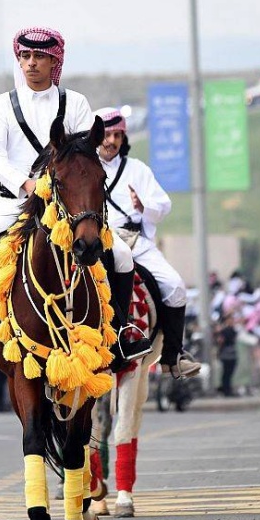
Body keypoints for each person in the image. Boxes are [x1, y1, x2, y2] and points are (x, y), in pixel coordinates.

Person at [0, 27, 138, 376]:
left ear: (54, 61)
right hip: (14, 202)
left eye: (39, 57)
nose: (31, 63)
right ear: (19, 60)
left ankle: (122, 330)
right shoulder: (2, 105)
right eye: (25, 57)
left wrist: (56, 186)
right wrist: (27, 184)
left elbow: (84, 155)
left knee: (122, 255)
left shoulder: (76, 103)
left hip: (67, 204)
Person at [94, 107, 201, 378]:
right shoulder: (82, 167)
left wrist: (144, 206)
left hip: (132, 241)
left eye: (117, 135)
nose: (111, 141)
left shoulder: (137, 169)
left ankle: (172, 356)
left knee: (175, 286)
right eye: (106, 134)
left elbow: (163, 204)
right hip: (94, 242)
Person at [215, 314, 238, 396]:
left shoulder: (233, 330)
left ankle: (227, 388)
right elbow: (220, 341)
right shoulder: (224, 331)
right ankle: (226, 390)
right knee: (226, 373)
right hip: (226, 354)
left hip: (232, 354)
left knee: (229, 373)